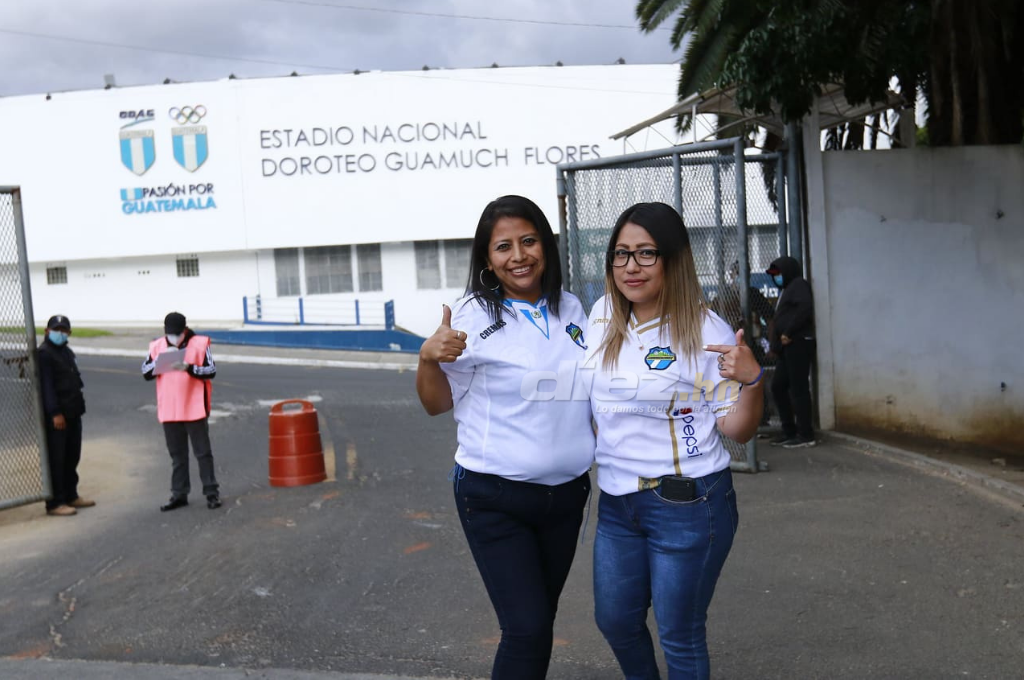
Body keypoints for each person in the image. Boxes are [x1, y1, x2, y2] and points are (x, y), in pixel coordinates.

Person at [415, 195, 595, 679]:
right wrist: (428, 358)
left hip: (568, 496)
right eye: (503, 247)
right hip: (496, 497)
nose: (519, 256)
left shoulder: (573, 308)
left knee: (538, 624)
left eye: (529, 241)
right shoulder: (473, 316)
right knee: (527, 628)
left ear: (546, 247)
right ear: (488, 260)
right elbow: (436, 404)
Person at [585, 202, 763, 680]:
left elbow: (738, 429)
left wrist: (752, 380)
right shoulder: (602, 315)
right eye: (620, 254)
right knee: (616, 620)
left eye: (646, 253)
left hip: (687, 502)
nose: (631, 267)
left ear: (673, 259)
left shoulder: (706, 330)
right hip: (618, 502)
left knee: (679, 634)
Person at [141, 312, 222, 511]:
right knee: (177, 455)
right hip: (169, 409)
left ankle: (211, 493)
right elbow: (145, 371)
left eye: (177, 334)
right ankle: (179, 494)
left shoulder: (200, 344)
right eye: (170, 334)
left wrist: (188, 367)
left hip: (194, 407)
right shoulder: (157, 345)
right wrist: (160, 362)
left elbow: (210, 370)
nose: (173, 337)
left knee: (203, 453)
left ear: (185, 331)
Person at [37, 314, 94, 517]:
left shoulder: (66, 351)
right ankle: (55, 502)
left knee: (72, 456)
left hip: (73, 412)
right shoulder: (44, 354)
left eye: (63, 330)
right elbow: (47, 387)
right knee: (57, 458)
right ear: (46, 331)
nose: (60, 333)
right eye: (56, 330)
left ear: (69, 333)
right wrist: (55, 413)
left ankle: (71, 495)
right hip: (58, 415)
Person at [765, 256, 816, 448]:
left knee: (799, 388)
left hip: (798, 343)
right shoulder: (786, 290)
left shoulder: (798, 285)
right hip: (788, 346)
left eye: (778, 274)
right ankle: (789, 431)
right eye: (774, 275)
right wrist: (777, 346)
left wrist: (788, 332)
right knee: (778, 386)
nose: (776, 278)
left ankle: (806, 434)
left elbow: (804, 308)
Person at [709, 259, 775, 364]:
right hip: (729, 344)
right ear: (731, 275)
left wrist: (772, 347)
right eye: (738, 273)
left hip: (752, 343)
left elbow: (770, 319)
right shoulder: (723, 295)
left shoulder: (754, 294)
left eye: (745, 273)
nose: (742, 277)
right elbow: (711, 321)